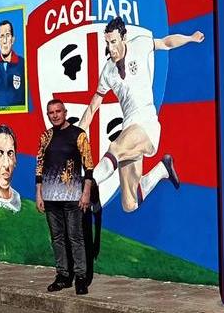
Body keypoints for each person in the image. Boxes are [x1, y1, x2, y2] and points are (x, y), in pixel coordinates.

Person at [80, 18, 202, 212]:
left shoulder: (140, 44)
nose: (110, 48)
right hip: (129, 128)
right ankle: (162, 169)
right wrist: (78, 131)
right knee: (130, 204)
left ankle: (86, 185)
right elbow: (94, 104)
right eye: (107, 43)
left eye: (113, 42)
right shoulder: (108, 72)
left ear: (124, 38)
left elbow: (166, 42)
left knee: (115, 148)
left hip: (146, 125)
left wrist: (190, 38)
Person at [37, 99, 93, 294]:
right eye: (51, 112)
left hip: (73, 196)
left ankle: (81, 278)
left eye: (58, 111)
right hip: (51, 197)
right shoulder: (46, 136)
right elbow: (39, 166)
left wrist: (86, 193)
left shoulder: (79, 135)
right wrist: (39, 193)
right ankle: (62, 276)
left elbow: (89, 166)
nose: (55, 115)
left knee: (76, 237)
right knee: (57, 237)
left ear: (65, 112)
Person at [0, 19, 26, 108]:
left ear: (13, 39)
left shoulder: (23, 64)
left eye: (8, 35)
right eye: (2, 36)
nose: (5, 41)